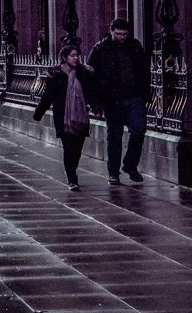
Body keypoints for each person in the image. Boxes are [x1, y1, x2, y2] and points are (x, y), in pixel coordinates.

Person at [88, 17, 151, 184]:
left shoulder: (135, 47)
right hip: (112, 99)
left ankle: (130, 165)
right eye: (118, 34)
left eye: (124, 34)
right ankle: (113, 172)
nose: (122, 37)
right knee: (114, 136)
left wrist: (145, 94)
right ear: (111, 32)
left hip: (134, 97)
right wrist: (96, 104)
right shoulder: (101, 48)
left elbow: (144, 71)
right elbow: (91, 78)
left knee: (139, 130)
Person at [33, 46, 95, 191]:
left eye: (77, 55)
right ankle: (72, 178)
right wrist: (39, 113)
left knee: (78, 148)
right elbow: (47, 96)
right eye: (72, 55)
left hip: (80, 117)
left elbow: (91, 93)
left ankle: (72, 168)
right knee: (69, 147)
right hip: (63, 118)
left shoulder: (83, 74)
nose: (76, 58)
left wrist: (97, 108)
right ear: (64, 58)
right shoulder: (56, 76)